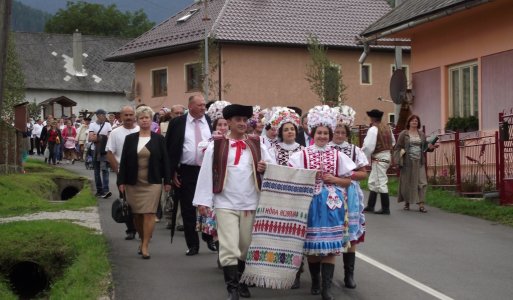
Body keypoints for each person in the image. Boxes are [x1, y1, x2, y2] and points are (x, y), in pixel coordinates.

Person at [194, 104, 271, 299]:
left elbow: (272, 166)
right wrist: (203, 201)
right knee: (229, 246)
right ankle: (233, 289)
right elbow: (206, 174)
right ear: (228, 122)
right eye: (238, 120)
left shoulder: (257, 144)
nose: (242, 123)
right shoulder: (217, 145)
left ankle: (243, 280)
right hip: (224, 202)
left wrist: (265, 167)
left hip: (250, 202)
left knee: (245, 246)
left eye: (245, 120)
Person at [288, 105, 356, 300]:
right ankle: (316, 280)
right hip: (310, 203)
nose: (323, 136)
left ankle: (326, 288)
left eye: (326, 133)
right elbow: (292, 177)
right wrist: (309, 177)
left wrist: (334, 180)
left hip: (333, 205)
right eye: (320, 133)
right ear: (313, 133)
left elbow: (349, 180)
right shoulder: (301, 155)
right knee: (313, 245)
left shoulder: (338, 155)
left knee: (332, 245)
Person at [118, 106, 171, 259]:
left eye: (147, 117)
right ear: (138, 120)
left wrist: (167, 180)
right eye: (141, 118)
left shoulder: (159, 139)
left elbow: (165, 161)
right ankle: (142, 239)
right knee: (137, 215)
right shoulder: (130, 139)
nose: (144, 120)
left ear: (151, 119)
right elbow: (124, 161)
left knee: (149, 213)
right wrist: (121, 181)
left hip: (152, 181)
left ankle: (146, 245)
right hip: (133, 182)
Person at [166, 94, 212, 256]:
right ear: (191, 106)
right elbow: (169, 149)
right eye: (200, 105)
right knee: (187, 209)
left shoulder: (209, 121)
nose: (203, 107)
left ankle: (210, 236)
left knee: (209, 206)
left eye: (204, 105)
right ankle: (193, 244)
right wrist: (172, 173)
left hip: (207, 171)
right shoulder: (177, 123)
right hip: (186, 170)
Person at [328, 119, 368, 289]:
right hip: (328, 192)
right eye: (336, 132)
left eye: (343, 132)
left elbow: (364, 173)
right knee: (330, 232)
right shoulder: (326, 148)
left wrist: (346, 175)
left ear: (347, 134)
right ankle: (324, 278)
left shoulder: (354, 150)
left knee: (351, 235)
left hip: (349, 193)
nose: (339, 135)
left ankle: (349, 275)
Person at [106, 106, 140, 240]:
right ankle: (130, 229)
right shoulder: (115, 133)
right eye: (126, 115)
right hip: (124, 173)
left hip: (141, 173)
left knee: (141, 202)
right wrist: (118, 172)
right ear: (120, 117)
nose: (129, 117)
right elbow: (110, 153)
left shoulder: (141, 130)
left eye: (131, 114)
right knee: (127, 202)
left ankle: (143, 228)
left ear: (135, 116)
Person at [394, 115, 437, 213]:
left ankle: (421, 204)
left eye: (416, 121)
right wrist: (399, 159)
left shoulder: (421, 134)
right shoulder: (403, 134)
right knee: (408, 183)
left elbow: (425, 148)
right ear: (409, 122)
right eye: (413, 121)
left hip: (419, 161)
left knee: (422, 183)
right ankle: (407, 203)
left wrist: (432, 147)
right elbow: (397, 147)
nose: (414, 122)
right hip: (407, 162)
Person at [362, 109, 395, 215]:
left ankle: (386, 208)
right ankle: (371, 206)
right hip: (386, 156)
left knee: (380, 181)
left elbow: (368, 146)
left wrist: (363, 157)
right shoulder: (387, 128)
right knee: (373, 180)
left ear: (372, 118)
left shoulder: (373, 129)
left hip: (378, 157)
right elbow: (393, 142)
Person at [89, 109, 113, 198]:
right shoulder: (92, 125)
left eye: (105, 115)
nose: (104, 116)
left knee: (105, 170)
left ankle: (106, 190)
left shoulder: (107, 125)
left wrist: (98, 137)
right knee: (96, 171)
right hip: (94, 150)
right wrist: (102, 137)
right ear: (98, 115)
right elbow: (91, 138)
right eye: (103, 115)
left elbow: (110, 136)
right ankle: (99, 190)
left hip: (104, 150)